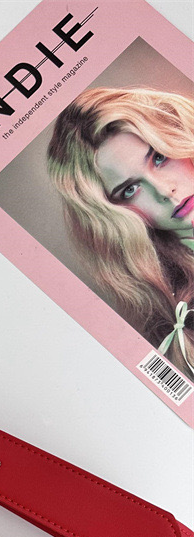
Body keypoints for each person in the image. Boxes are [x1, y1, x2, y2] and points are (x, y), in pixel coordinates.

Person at [47, 86, 194, 378]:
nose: (164, 191)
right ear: (114, 218)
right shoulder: (177, 319)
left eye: (159, 157)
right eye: (130, 189)